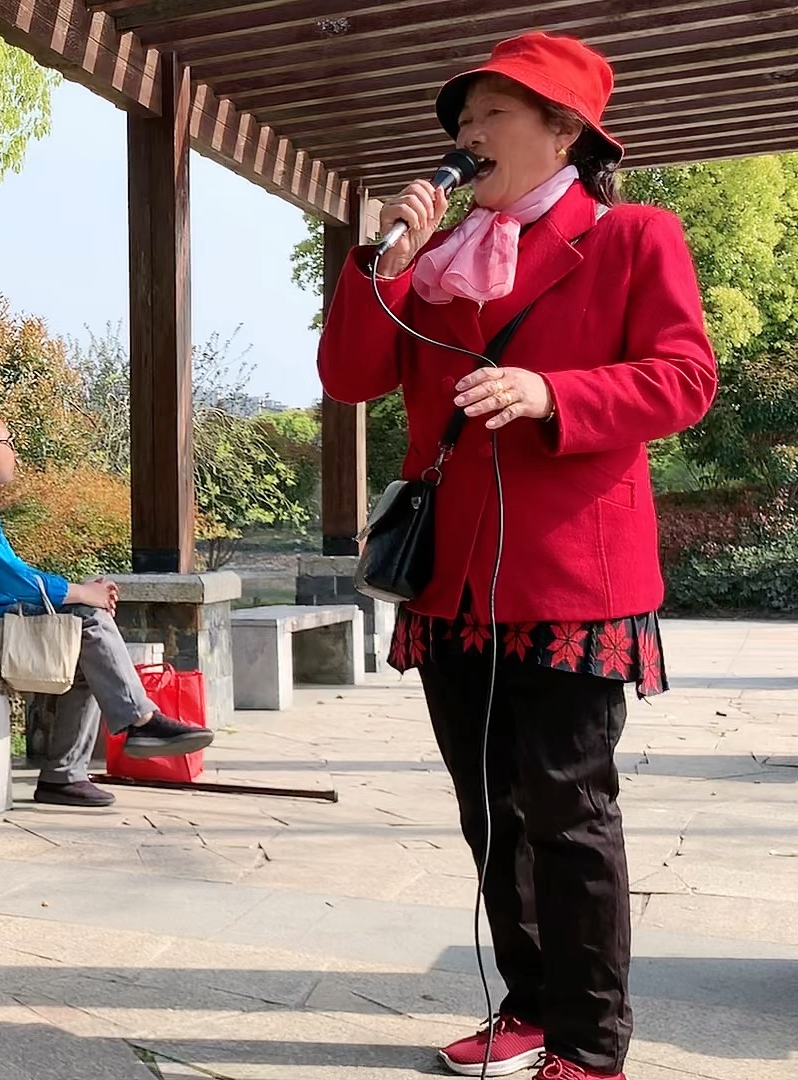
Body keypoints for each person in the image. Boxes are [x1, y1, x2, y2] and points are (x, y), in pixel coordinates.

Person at [317, 33, 718, 1080]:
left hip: (573, 580)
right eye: (465, 114)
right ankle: (530, 1007)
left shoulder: (633, 236)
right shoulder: (439, 258)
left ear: (565, 132)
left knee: (568, 811)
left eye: (496, 112)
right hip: (450, 577)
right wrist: (384, 262)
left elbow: (685, 378)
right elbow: (353, 375)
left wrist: (555, 393)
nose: (469, 132)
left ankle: (592, 1043)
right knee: (486, 808)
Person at [0, 409, 215, 808]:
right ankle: (142, 722)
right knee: (86, 620)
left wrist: (82, 591)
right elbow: (11, 578)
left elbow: (12, 575)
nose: (16, 452)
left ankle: (63, 779)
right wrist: (83, 594)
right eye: (10, 443)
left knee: (83, 647)